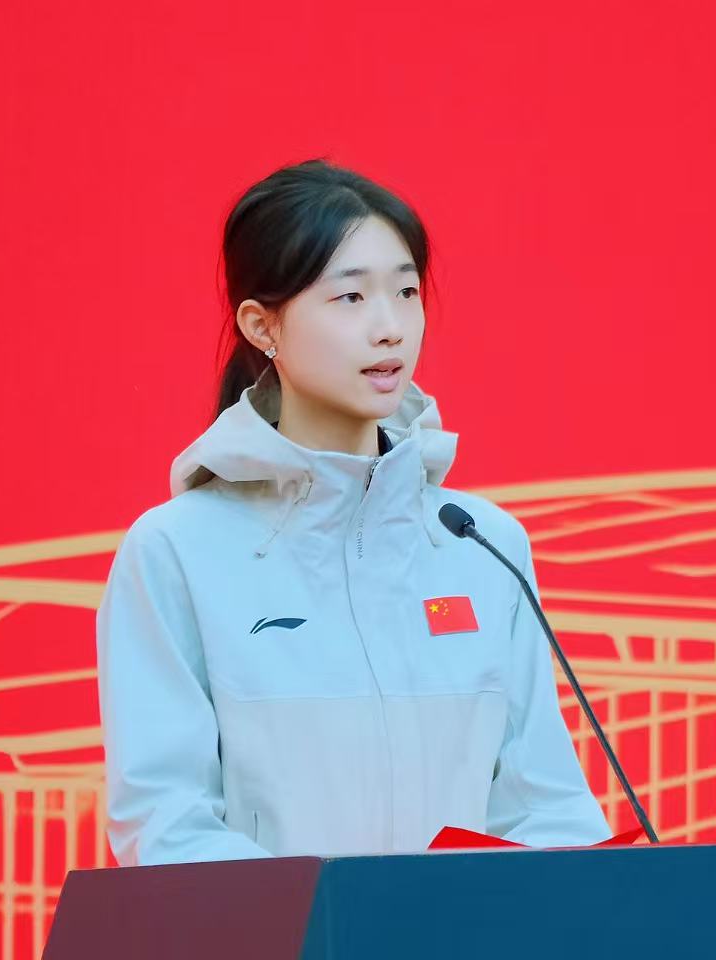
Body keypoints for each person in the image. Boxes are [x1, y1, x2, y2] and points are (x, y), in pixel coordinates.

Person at [95, 158, 612, 866]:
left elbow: (546, 809)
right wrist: (341, 914)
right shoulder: (176, 553)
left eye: (406, 291)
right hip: (289, 929)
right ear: (262, 326)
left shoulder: (482, 545)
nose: (390, 327)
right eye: (351, 297)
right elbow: (167, 828)